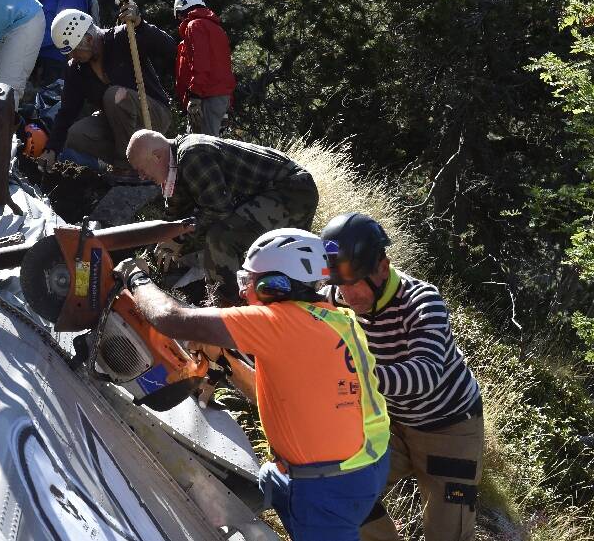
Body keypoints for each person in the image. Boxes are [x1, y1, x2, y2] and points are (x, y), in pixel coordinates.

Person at [114, 229, 390, 541]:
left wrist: (135, 277)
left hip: (328, 487)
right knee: (270, 479)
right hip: (367, 464)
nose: (243, 292)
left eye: (249, 282)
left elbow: (170, 318)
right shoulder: (336, 319)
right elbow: (279, 394)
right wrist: (229, 363)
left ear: (275, 285)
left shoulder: (279, 321)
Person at [319, 212, 484, 541]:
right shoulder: (335, 300)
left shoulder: (423, 302)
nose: (349, 296)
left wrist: (349, 378)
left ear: (383, 266)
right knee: (339, 490)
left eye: (356, 282)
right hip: (391, 423)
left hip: (450, 427)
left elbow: (425, 375)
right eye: (340, 284)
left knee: (447, 533)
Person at [126, 129, 319, 304]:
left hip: (292, 191)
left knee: (221, 237)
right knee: (279, 261)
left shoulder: (192, 156)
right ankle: (291, 300)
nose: (141, 177)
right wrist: (165, 239)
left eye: (141, 170)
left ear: (157, 156)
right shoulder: (174, 164)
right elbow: (177, 213)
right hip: (277, 190)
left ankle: (228, 307)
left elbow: (219, 210)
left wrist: (179, 238)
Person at [39, 0, 174, 174]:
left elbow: (170, 48)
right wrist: (52, 149)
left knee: (114, 96)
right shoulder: (77, 69)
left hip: (153, 115)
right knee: (77, 134)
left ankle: (126, 167)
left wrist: (140, 24)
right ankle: (132, 162)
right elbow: (67, 112)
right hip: (119, 127)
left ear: (88, 39)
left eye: (74, 50)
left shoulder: (123, 37)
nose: (72, 56)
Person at [173, 0, 236, 136]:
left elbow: (201, 62)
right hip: (220, 99)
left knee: (202, 151)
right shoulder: (217, 29)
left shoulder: (194, 26)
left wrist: (194, 96)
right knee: (216, 147)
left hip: (205, 97)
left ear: (182, 10)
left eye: (179, 16)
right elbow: (225, 68)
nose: (180, 20)